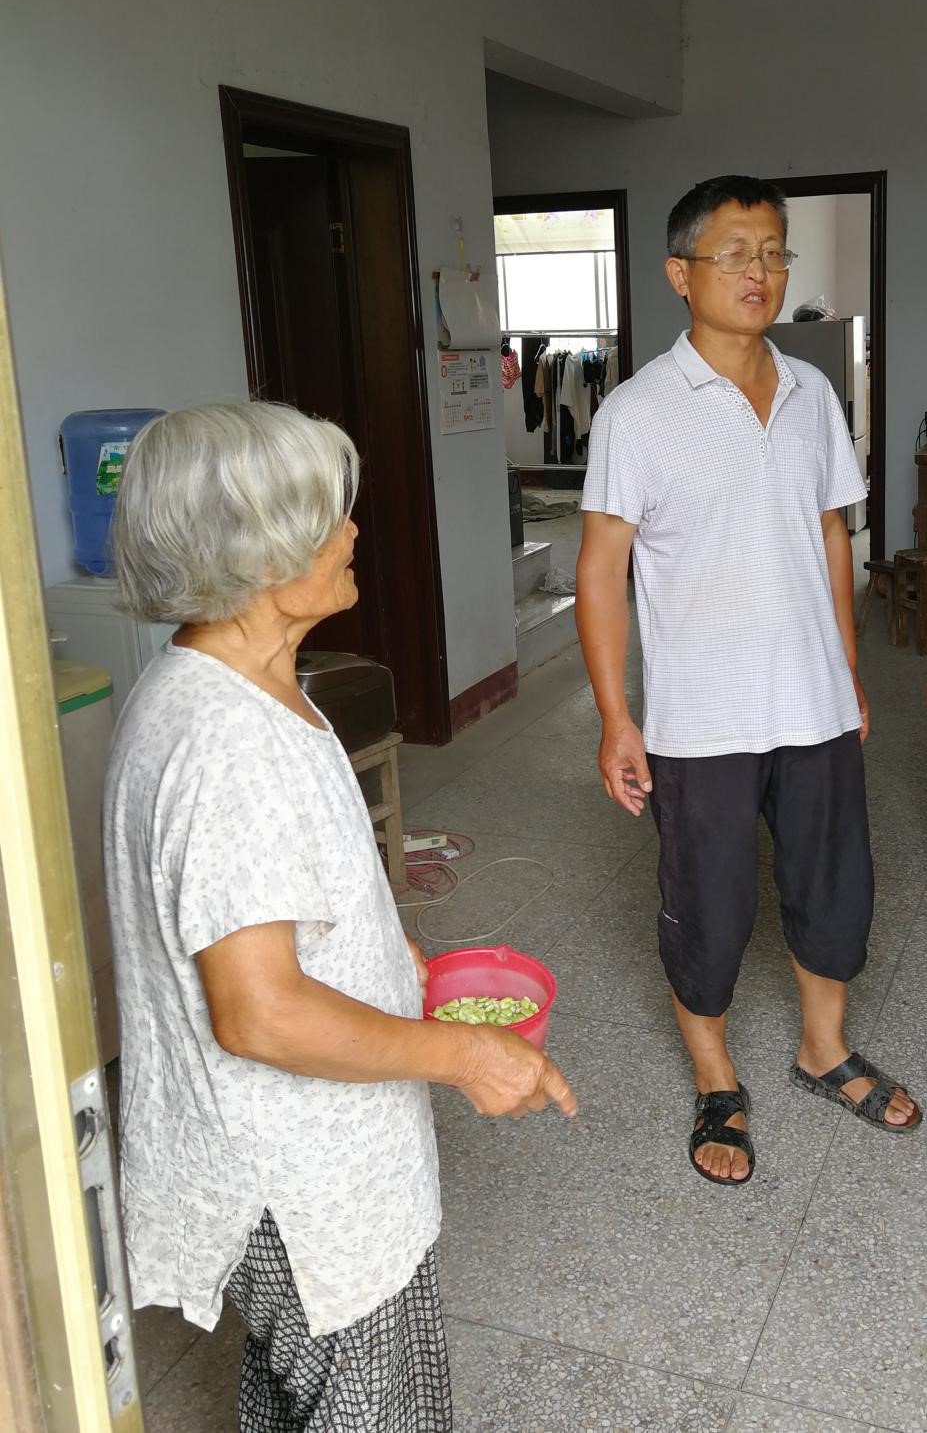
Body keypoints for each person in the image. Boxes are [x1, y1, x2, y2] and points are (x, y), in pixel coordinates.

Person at [105, 402, 577, 1431]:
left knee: (298, 1397)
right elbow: (260, 1013)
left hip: (297, 1158)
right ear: (257, 555)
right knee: (372, 1405)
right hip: (299, 1181)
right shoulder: (226, 745)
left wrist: (378, 941)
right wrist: (466, 1054)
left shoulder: (239, 685)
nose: (354, 530)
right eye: (328, 517)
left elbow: (268, 900)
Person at [576, 174, 920, 1187]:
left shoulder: (813, 393)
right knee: (710, 908)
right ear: (680, 273)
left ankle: (824, 1049)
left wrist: (847, 667)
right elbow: (600, 569)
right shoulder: (637, 411)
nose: (759, 271)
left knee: (834, 887)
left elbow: (830, 532)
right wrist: (615, 717)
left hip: (812, 699)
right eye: (734, 252)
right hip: (700, 718)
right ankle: (715, 1077)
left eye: (773, 251)